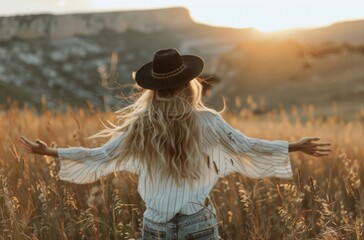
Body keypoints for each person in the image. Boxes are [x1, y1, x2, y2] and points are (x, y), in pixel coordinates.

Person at [20, 48, 331, 239]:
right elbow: (246, 146)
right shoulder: (207, 120)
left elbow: (101, 156)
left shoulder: (141, 125)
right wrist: (294, 145)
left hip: (154, 226)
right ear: (188, 84)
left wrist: (51, 151)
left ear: (153, 89)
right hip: (199, 223)